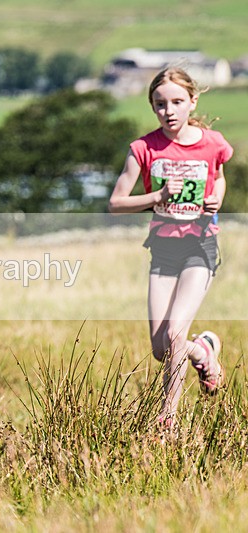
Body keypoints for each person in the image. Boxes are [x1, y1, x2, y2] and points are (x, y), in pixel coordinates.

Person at [109, 66, 232, 426]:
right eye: (160, 104)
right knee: (163, 349)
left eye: (178, 102)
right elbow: (116, 203)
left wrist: (216, 200)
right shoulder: (143, 148)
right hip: (162, 250)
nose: (169, 111)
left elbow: (219, 177)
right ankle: (205, 350)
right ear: (152, 107)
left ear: (192, 101)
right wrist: (157, 195)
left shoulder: (213, 142)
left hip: (200, 247)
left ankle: (168, 419)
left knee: (176, 333)